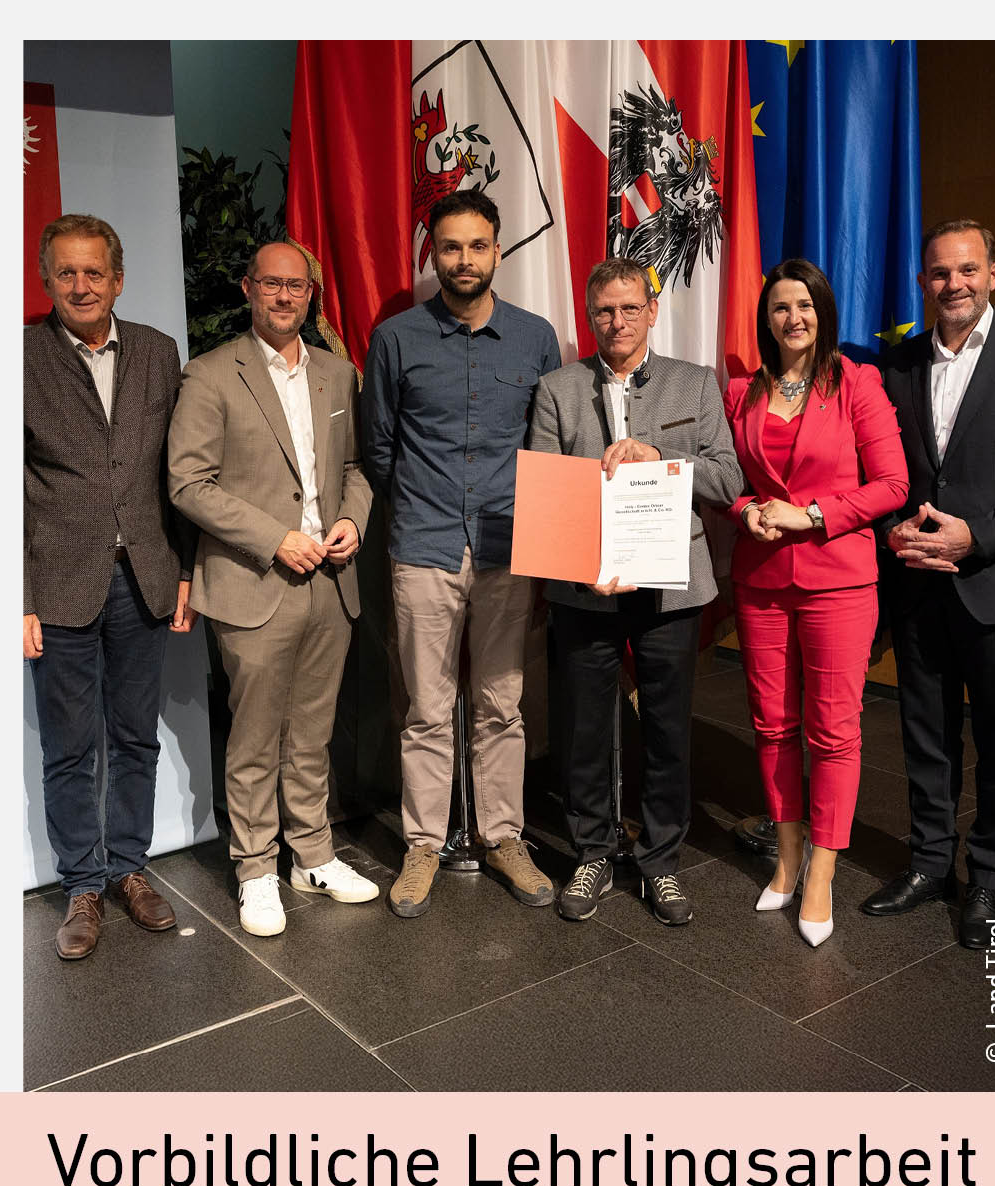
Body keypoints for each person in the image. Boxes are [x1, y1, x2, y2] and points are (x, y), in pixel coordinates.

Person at [168, 242, 377, 937]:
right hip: (255, 579)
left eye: (297, 286)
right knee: (255, 737)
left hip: (330, 579)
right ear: (248, 288)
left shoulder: (339, 374)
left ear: (310, 294)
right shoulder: (209, 374)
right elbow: (187, 483)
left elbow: (357, 467)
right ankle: (256, 867)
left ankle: (311, 854)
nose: (284, 296)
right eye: (271, 284)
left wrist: (352, 518)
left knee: (313, 732)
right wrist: (273, 537)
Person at [362, 190, 561, 918]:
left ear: (498, 251)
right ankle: (423, 844)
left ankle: (503, 835)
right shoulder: (396, 339)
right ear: (432, 253)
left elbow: (550, 442)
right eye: (450, 247)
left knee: (502, 703)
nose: (464, 259)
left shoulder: (536, 338)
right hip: (424, 543)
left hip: (512, 546)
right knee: (425, 705)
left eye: (477, 246)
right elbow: (378, 448)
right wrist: (421, 503)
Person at [526, 258, 743, 925]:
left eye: (627, 308)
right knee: (584, 728)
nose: (615, 322)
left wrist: (661, 460)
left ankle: (660, 859)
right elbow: (544, 493)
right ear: (587, 317)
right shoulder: (557, 389)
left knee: (669, 728)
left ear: (652, 310)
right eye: (602, 312)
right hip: (584, 586)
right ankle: (593, 850)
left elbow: (729, 482)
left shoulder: (697, 384)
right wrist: (570, 556)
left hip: (670, 588)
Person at [24, 213, 198, 960]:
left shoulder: (160, 354)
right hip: (58, 584)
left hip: (146, 580)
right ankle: (83, 887)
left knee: (135, 740)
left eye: (94, 272)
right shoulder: (16, 356)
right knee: (70, 750)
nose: (81, 285)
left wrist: (185, 571)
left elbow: (183, 474)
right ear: (46, 280)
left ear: (118, 280)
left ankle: (129, 869)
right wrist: (17, 595)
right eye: (66, 272)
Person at [724, 258, 909, 947]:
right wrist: (745, 510)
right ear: (766, 319)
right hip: (761, 579)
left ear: (821, 312)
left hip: (839, 581)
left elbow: (892, 483)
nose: (792, 318)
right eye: (779, 308)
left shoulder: (857, 383)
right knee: (772, 723)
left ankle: (824, 872)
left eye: (803, 306)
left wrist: (815, 515)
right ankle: (788, 855)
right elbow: (728, 479)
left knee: (833, 730)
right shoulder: (741, 392)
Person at [863, 221, 995, 950]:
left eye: (966, 270)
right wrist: (895, 525)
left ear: (994, 272)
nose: (952, 284)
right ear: (922, 282)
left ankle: (989, 875)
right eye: (937, 273)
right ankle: (930, 862)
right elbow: (881, 473)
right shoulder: (893, 368)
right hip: (919, 586)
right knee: (925, 737)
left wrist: (976, 535)